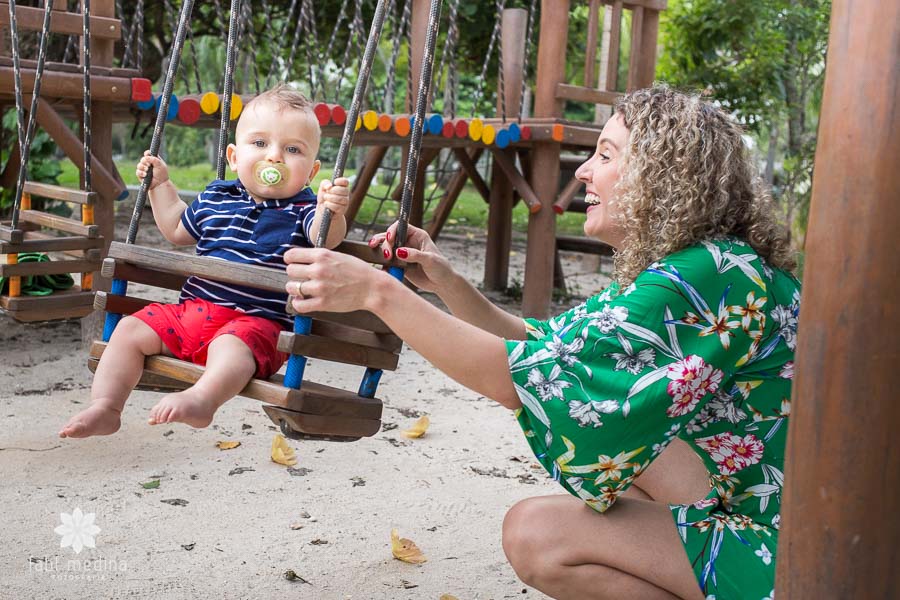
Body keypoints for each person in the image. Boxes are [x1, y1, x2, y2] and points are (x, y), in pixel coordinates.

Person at [282, 86, 799, 599]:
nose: (583, 171)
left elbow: (528, 379)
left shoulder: (702, 277)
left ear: (661, 176)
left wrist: (378, 293)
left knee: (537, 536)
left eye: (605, 154)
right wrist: (445, 283)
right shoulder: (715, 263)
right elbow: (548, 347)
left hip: (794, 552)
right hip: (777, 507)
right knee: (636, 453)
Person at [59, 85, 350, 439]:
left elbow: (327, 236)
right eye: (259, 144)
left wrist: (330, 210)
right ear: (232, 156)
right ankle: (106, 406)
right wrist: (160, 186)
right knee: (129, 329)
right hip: (190, 316)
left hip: (253, 327)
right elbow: (177, 228)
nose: (274, 157)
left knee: (231, 347)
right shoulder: (216, 197)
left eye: (292, 150)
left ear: (311, 171)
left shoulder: (303, 210)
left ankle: (202, 400)